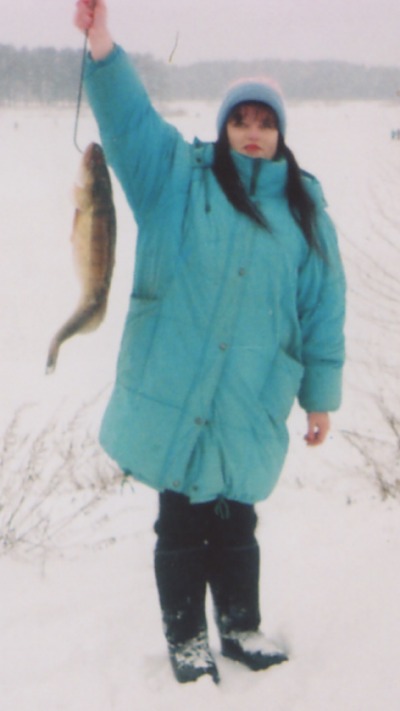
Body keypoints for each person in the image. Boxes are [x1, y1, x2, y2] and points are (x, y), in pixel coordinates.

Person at [74, 0, 346, 685]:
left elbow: (322, 309)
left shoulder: (305, 212)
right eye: (240, 120)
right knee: (179, 520)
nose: (252, 132)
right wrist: (101, 43)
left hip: (251, 397)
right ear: (223, 126)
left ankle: (242, 627)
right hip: (175, 385)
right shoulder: (176, 178)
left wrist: (320, 396)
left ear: (280, 133)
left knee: (235, 521)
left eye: (264, 122)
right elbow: (130, 121)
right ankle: (187, 639)